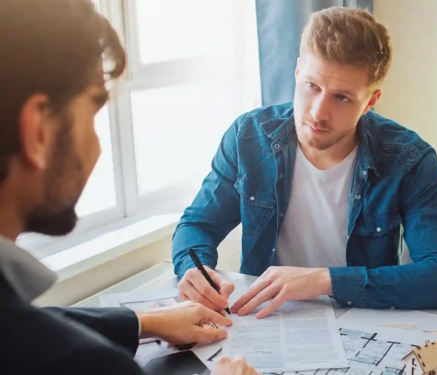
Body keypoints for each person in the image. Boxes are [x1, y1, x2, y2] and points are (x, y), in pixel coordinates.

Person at [0, 1, 256, 373]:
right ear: (38, 131)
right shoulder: (86, 363)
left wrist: (143, 322)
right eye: (92, 114)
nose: (97, 146)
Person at [172, 7, 437, 319]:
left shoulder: (408, 158)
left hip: (361, 321)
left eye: (342, 98)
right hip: (264, 320)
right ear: (298, 71)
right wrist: (196, 269)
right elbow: (197, 225)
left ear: (370, 101)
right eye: (312, 85)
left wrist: (324, 281)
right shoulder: (249, 136)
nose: (317, 112)